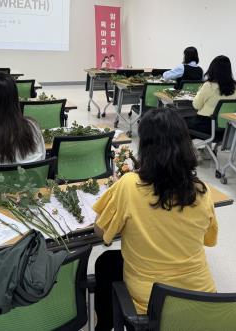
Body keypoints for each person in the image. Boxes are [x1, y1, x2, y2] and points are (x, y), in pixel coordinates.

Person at [92, 108, 218, 330]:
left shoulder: (129, 185)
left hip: (151, 306)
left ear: (145, 147)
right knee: (110, 262)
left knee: (106, 262)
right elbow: (207, 238)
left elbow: (101, 233)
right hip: (203, 300)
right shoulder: (202, 190)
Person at [187, 55, 236, 134]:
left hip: (205, 124)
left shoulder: (209, 85)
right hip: (225, 126)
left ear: (212, 69)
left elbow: (196, 106)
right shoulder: (235, 86)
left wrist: (199, 91)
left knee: (180, 122)